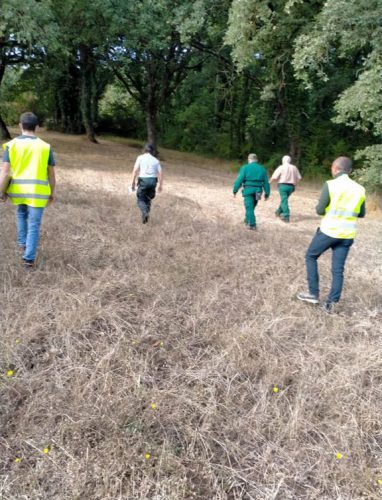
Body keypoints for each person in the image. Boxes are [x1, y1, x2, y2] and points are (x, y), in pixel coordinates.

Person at [297, 156, 366, 312]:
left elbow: (320, 210)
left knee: (311, 256)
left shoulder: (331, 185)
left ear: (335, 168)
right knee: (337, 269)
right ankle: (331, 304)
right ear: (350, 171)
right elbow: (361, 213)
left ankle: (313, 294)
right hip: (347, 234)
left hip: (329, 231)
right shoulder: (360, 189)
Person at [0, 112, 56, 267]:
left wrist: (1, 192)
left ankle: (23, 243)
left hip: (18, 191)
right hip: (37, 193)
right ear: (36, 127)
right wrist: (52, 191)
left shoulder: (12, 145)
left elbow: (5, 172)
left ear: (20, 125)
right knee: (34, 224)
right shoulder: (45, 147)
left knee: (21, 214)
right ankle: (28, 259)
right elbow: (51, 173)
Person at [233, 153, 270, 230]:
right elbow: (266, 182)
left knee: (249, 207)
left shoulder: (245, 167)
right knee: (252, 207)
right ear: (256, 160)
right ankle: (247, 219)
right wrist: (267, 193)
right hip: (258, 191)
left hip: (248, 190)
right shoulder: (262, 169)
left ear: (249, 160)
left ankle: (252, 224)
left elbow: (239, 179)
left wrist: (235, 190)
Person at [131, 143, 163, 224]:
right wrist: (160, 185)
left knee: (140, 199)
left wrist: (133, 183)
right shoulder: (156, 160)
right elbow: (160, 173)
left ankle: (145, 213)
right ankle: (145, 220)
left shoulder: (140, 158)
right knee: (148, 199)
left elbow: (135, 171)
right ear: (152, 151)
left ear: (144, 150)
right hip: (153, 181)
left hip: (143, 180)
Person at [269, 155, 302, 222]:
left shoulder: (281, 167)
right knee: (285, 200)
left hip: (283, 186)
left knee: (284, 201)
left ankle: (286, 215)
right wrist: (295, 184)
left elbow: (274, 177)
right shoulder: (294, 167)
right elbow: (299, 178)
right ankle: (278, 211)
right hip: (291, 187)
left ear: (283, 160)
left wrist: (268, 183)